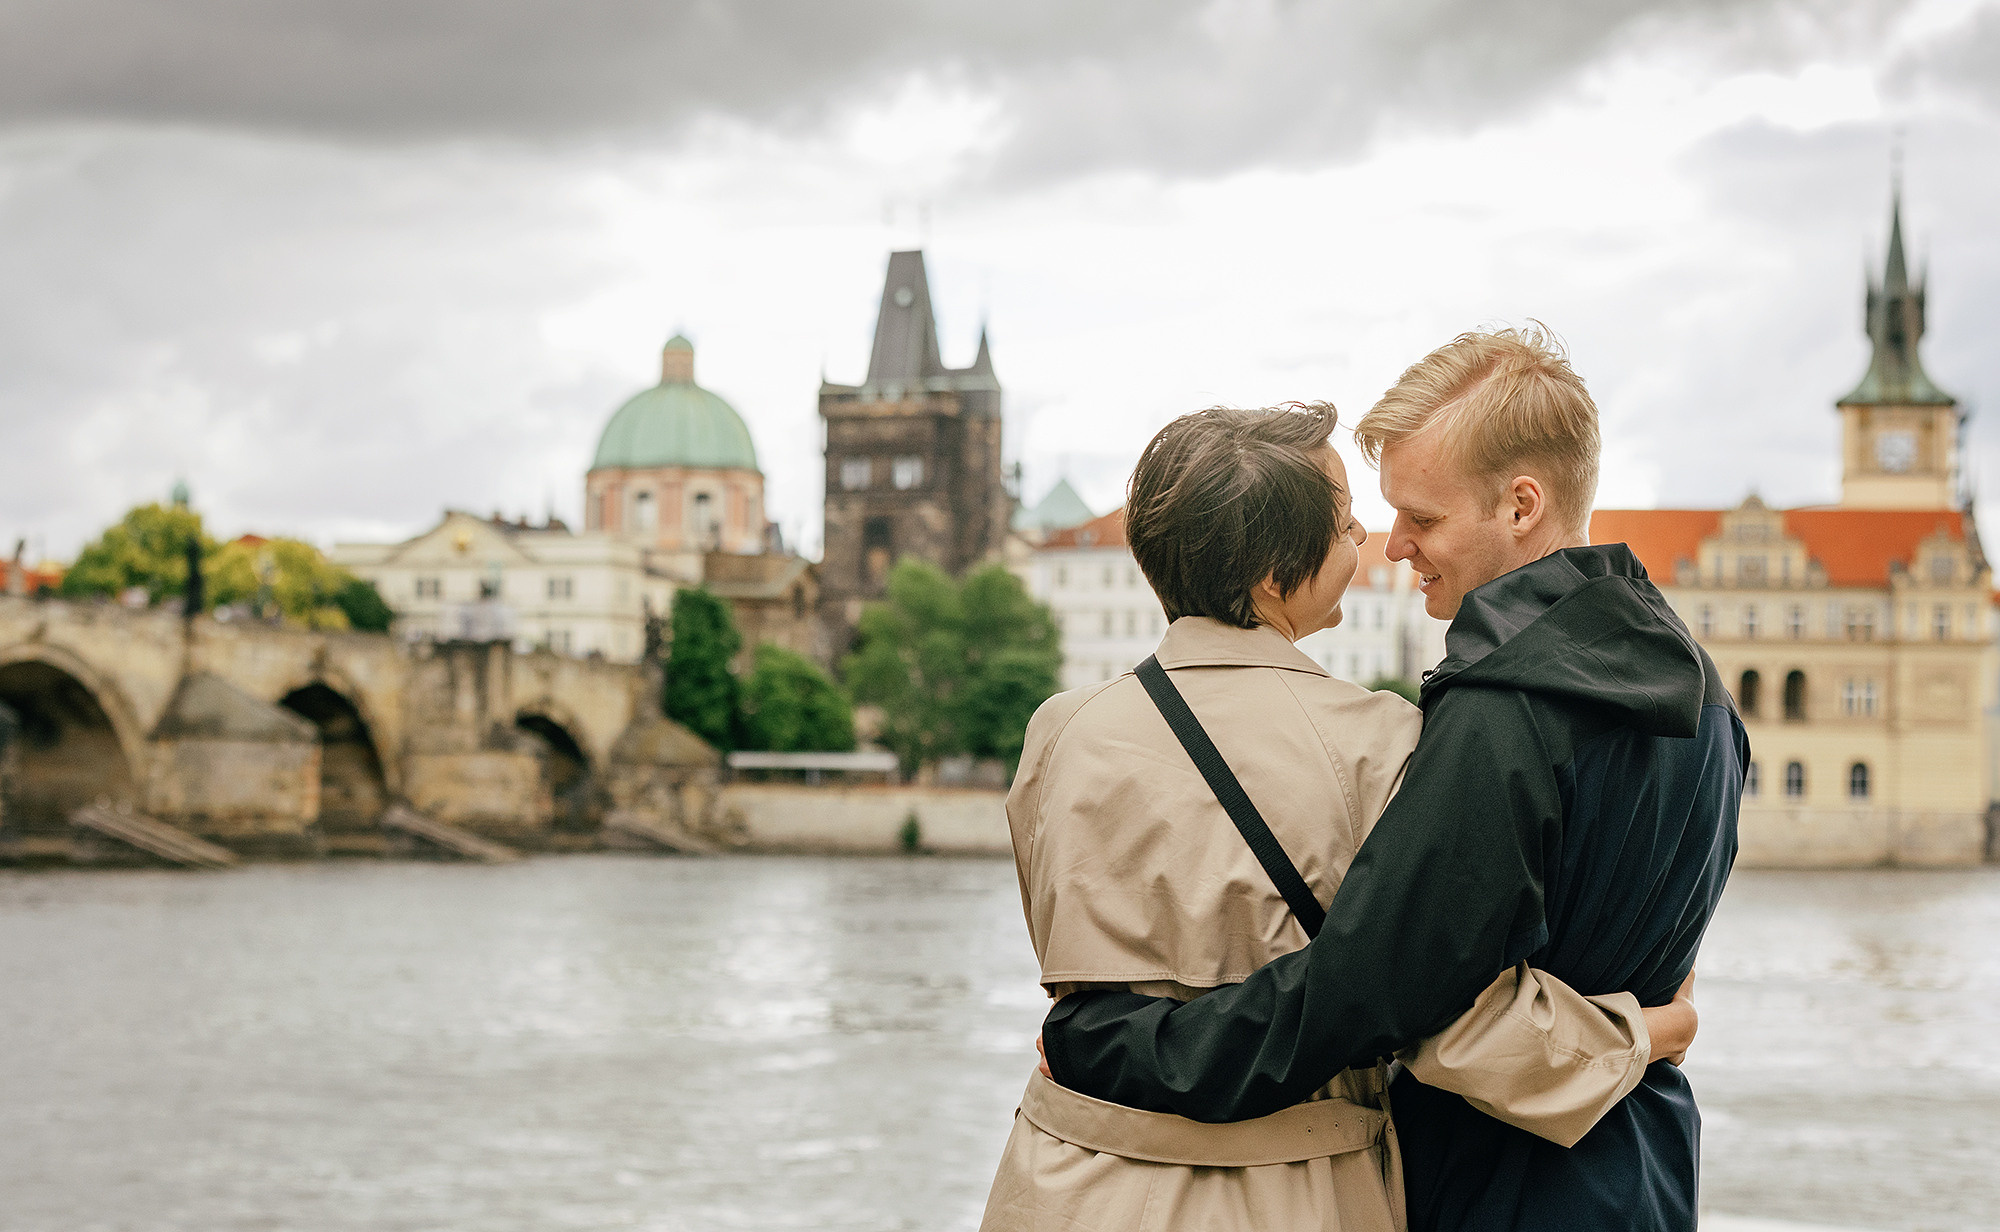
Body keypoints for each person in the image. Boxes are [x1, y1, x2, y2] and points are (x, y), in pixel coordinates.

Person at [1038, 329, 1744, 1232]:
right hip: (1644, 1166)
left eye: (1424, 517)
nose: (1396, 544)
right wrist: (1652, 1033)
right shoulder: (1700, 693)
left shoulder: (1507, 710)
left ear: (1522, 506)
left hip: (1498, 1184)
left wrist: (1115, 1048)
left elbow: (1374, 992)